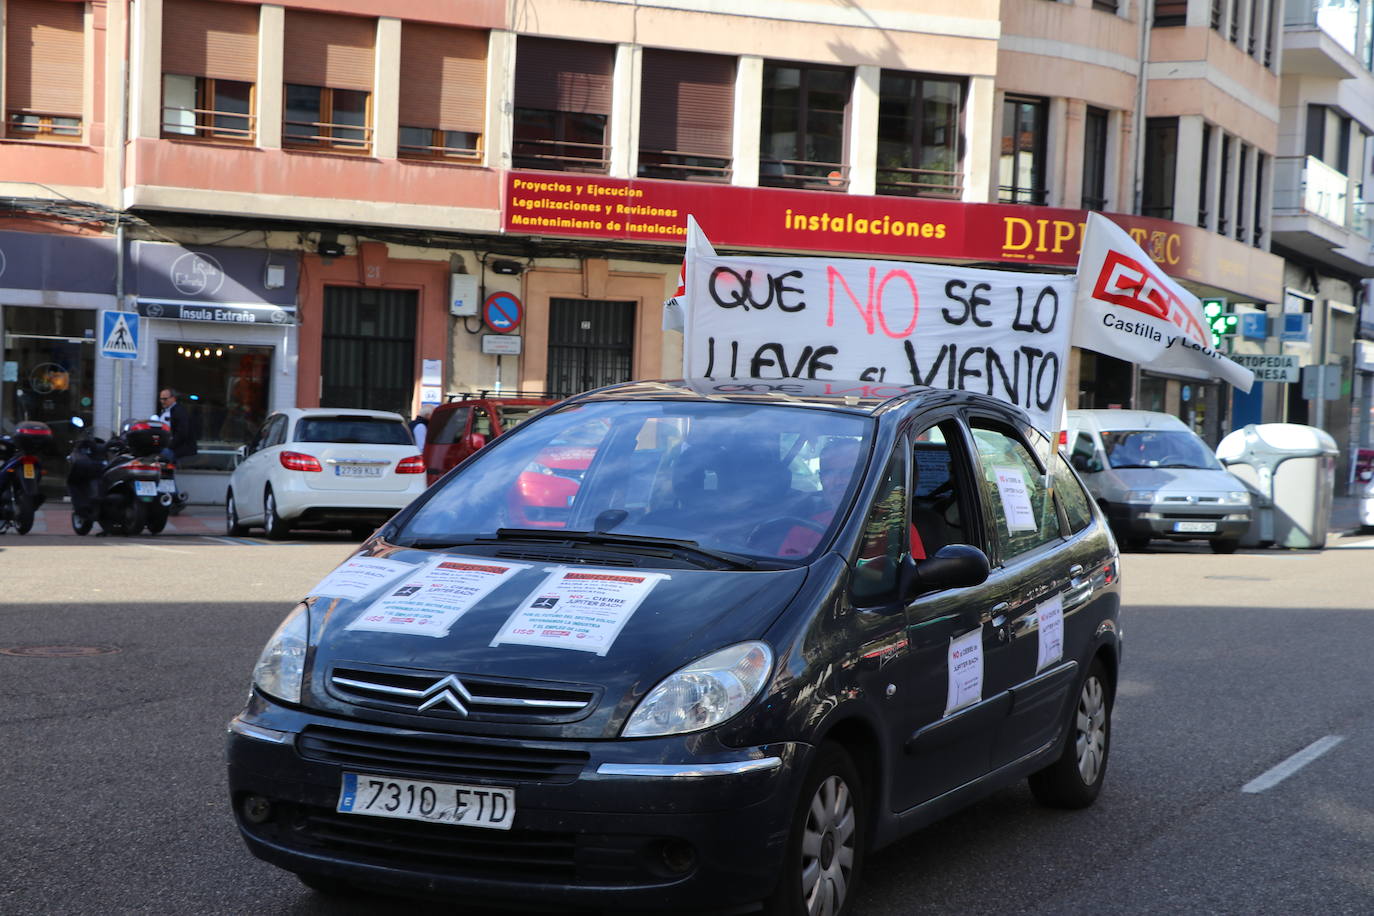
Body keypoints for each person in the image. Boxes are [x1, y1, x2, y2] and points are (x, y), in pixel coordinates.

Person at [158, 388, 198, 463]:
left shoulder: (179, 412)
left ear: (173, 398)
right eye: (161, 399)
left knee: (160, 456)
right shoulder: (166, 411)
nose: (162, 401)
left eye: (165, 399)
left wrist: (169, 446)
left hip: (178, 449)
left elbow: (182, 433)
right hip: (172, 446)